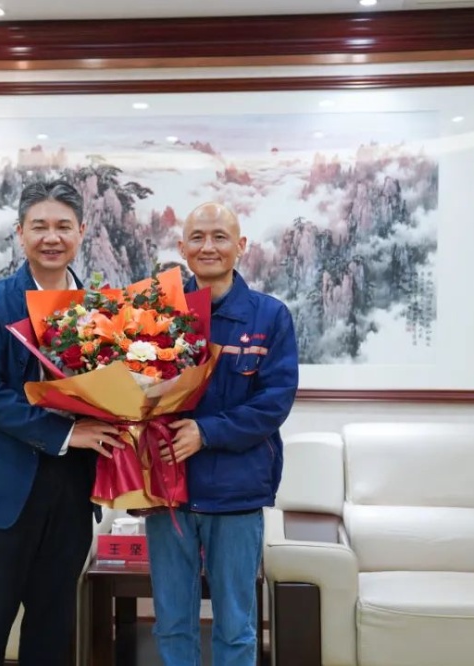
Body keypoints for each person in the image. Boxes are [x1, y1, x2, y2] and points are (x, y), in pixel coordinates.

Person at [0, 179, 124, 666]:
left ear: (82, 232)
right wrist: (66, 432)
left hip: (71, 491)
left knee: (53, 631)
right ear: (20, 233)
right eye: (40, 226)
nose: (52, 237)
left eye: (63, 226)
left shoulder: (104, 310)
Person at [146, 202, 299, 666]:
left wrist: (206, 432)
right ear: (182, 247)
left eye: (219, 236)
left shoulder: (269, 317)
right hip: (169, 491)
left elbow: (273, 403)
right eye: (197, 237)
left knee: (235, 626)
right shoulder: (158, 313)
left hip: (236, 492)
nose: (208, 246)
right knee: (172, 622)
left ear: (241, 245)